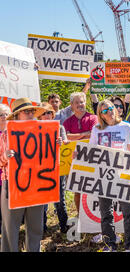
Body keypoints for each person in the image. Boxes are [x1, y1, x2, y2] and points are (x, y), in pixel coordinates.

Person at [1, 98, 60, 252]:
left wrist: (56, 144)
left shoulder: (43, 132)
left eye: (32, 111)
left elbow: (48, 158)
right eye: (26, 111)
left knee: (35, 227)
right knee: (10, 229)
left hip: (37, 184)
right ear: (17, 115)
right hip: (13, 185)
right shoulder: (6, 134)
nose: (30, 114)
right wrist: (5, 157)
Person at [87, 99, 130, 252]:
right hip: (104, 175)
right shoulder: (96, 129)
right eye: (105, 110)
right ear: (101, 114)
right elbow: (91, 151)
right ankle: (109, 245)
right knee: (106, 212)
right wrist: (79, 154)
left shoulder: (125, 126)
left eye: (111, 108)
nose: (110, 111)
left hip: (124, 174)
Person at [37, 103, 70, 234]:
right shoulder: (35, 129)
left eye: (49, 112)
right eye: (43, 113)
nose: (47, 115)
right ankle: (42, 228)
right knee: (42, 200)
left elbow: (66, 142)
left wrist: (62, 142)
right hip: (40, 169)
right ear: (39, 116)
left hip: (57, 167)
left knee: (59, 198)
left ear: (53, 114)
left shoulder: (59, 127)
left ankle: (64, 226)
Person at [63, 92, 98, 215]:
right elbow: (66, 137)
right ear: (71, 105)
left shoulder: (93, 118)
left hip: (92, 159)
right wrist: (84, 134)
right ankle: (80, 216)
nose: (80, 105)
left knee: (93, 189)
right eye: (77, 102)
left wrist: (75, 136)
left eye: (82, 102)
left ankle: (93, 216)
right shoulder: (67, 121)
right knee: (77, 190)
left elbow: (94, 134)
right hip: (74, 160)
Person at [0, 104, 12, 231]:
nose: (4, 117)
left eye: (6, 114)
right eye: (1, 114)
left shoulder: (14, 133)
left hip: (12, 178)